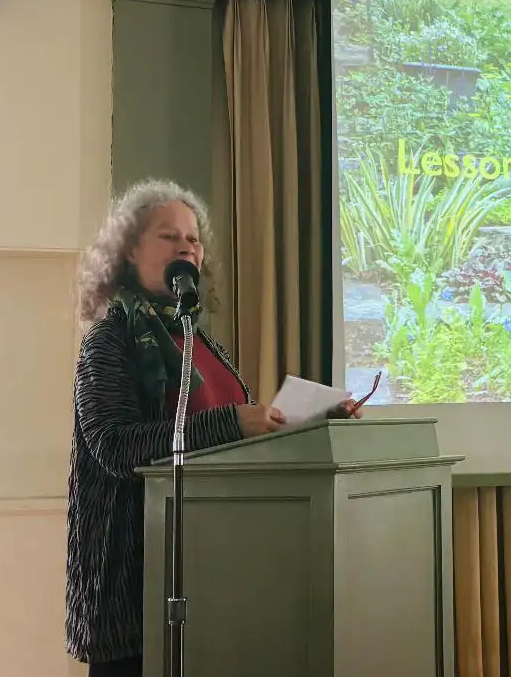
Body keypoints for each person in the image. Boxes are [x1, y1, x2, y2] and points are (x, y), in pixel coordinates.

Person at [65, 179, 356, 677]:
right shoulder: (110, 341)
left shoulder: (200, 342)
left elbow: (235, 446)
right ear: (129, 250)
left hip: (218, 583)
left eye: (194, 239)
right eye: (168, 236)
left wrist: (311, 421)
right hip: (137, 594)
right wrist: (232, 422)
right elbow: (115, 446)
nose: (186, 248)